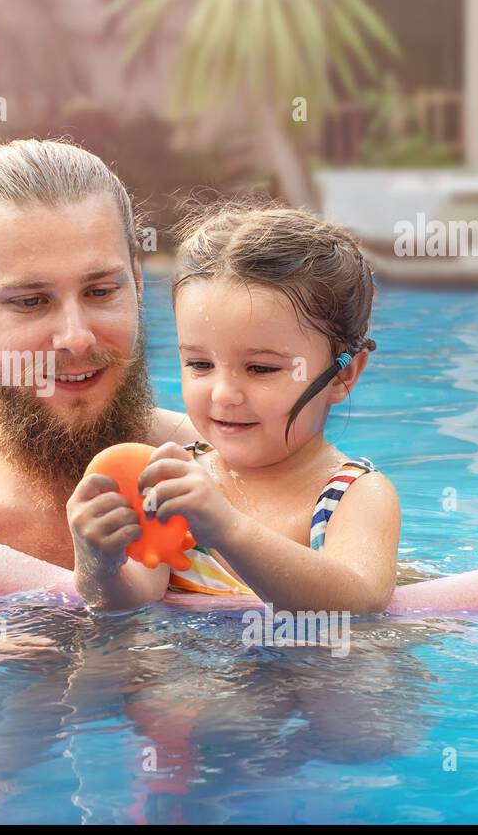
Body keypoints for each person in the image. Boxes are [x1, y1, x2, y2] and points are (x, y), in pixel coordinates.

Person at [66, 204, 401, 614]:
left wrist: (228, 529)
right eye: (200, 364)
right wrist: (98, 567)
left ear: (342, 376)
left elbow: (361, 601)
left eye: (261, 368)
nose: (224, 394)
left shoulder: (354, 495)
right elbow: (135, 597)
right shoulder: (178, 480)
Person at [0, 138, 199, 570]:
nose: (76, 338)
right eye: (31, 302)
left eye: (101, 291)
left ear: (138, 282)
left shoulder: (244, 479)